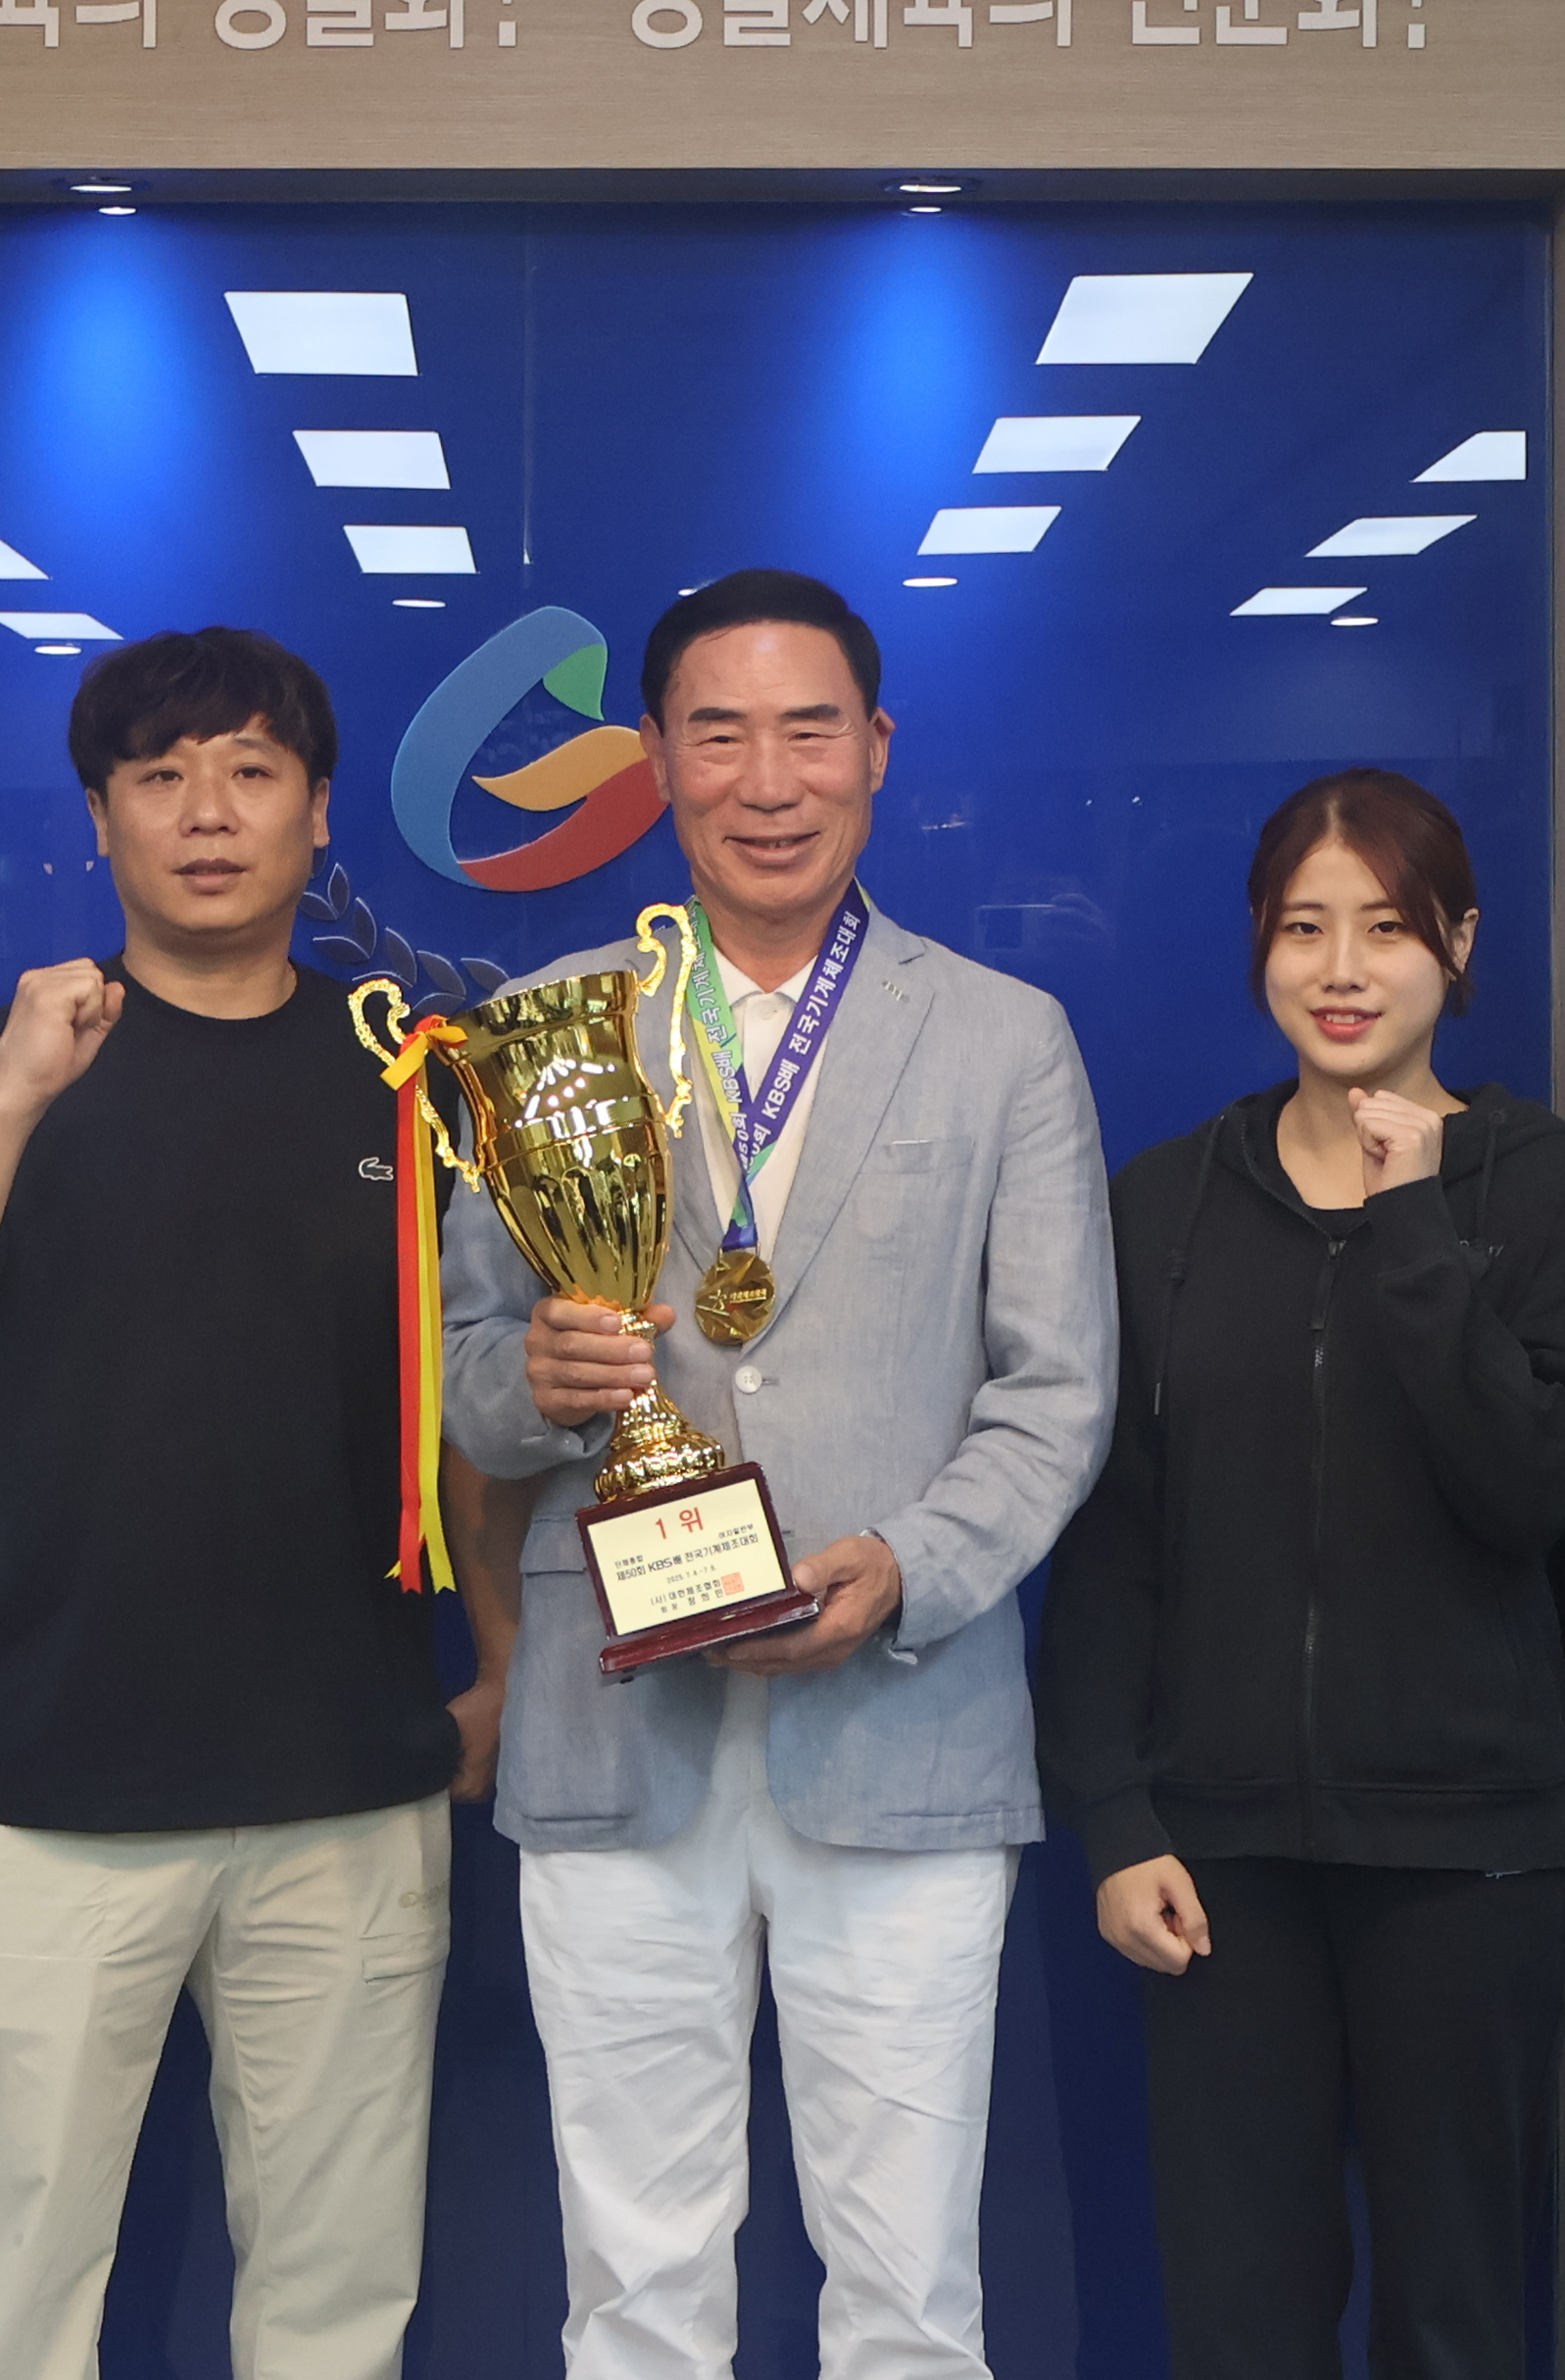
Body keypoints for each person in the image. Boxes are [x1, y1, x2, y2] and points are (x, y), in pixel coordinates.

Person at [442, 569, 1114, 2380]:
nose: (767, 779)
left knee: (909, 2288)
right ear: (654, 760)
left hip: (902, 1724)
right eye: (719, 734)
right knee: (633, 2284)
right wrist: (534, 1383)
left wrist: (906, 1566)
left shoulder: (1003, 1036)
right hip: (613, 1731)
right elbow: (467, 1379)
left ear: (876, 750)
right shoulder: (549, 1025)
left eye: (809, 731)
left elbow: (1058, 1396)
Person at [0, 627, 515, 2380]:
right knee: (15, 2303)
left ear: (318, 811)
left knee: (334, 2304)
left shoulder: (412, 1075)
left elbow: (470, 1406)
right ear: (100, 819)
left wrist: (504, 1665)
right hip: (64, 1789)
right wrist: (15, 1101)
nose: (208, 814)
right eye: (161, 777)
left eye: (250, 773)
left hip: (350, 1785)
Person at [1037, 766, 1565, 2380]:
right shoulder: (1167, 1200)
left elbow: (1538, 1487)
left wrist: (1414, 1227)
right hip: (1217, 1854)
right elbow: (1111, 1539)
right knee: (1243, 2312)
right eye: (1305, 928)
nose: (1344, 968)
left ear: (1461, 944)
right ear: (1259, 946)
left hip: (1467, 1849)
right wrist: (1117, 1817)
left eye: (1388, 927)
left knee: (1455, 2314)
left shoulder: (1551, 1188)